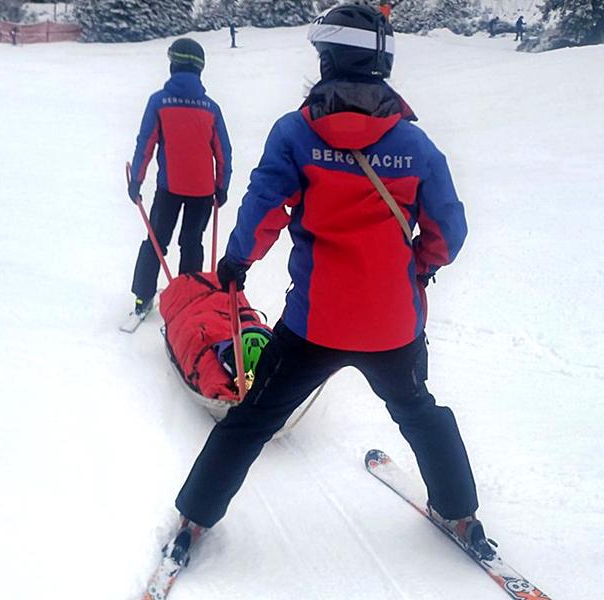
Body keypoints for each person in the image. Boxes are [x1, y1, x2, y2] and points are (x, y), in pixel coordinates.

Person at [162, 2, 496, 577]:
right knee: (418, 410)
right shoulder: (415, 146)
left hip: (313, 325)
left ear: (327, 58)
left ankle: (194, 518)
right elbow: (450, 230)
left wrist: (237, 262)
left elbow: (263, 207)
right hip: (393, 326)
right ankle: (460, 514)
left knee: (252, 421)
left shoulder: (295, 133)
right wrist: (418, 267)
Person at [128, 38, 233, 317]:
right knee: (191, 242)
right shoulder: (211, 108)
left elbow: (146, 143)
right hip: (202, 191)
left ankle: (143, 296)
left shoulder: (159, 102)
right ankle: (190, 298)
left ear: (173, 65)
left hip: (169, 189)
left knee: (156, 240)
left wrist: (136, 179)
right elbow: (223, 151)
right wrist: (222, 186)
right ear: (200, 70)